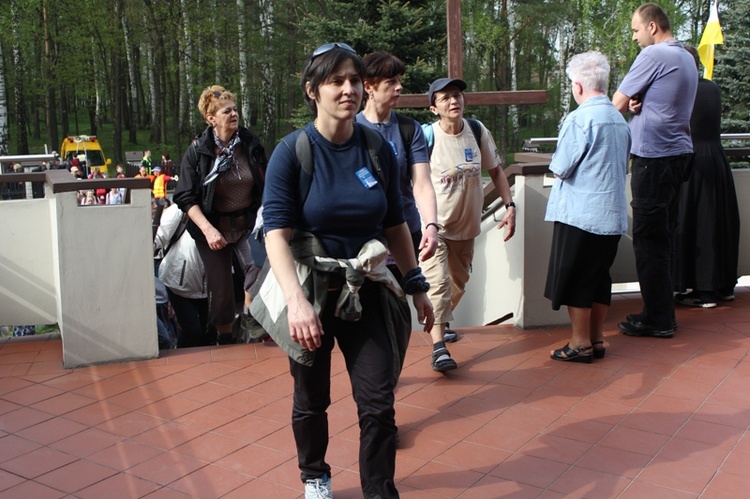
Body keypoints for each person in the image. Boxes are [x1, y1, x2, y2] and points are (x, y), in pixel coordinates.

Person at [258, 42, 433, 498]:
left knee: (378, 403)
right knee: (312, 398)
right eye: (337, 81)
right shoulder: (291, 152)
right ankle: (315, 476)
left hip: (368, 286)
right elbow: (275, 233)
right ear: (313, 90)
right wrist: (296, 303)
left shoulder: (376, 148)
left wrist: (415, 285)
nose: (349, 89)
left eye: (355, 80)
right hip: (313, 291)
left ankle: (379, 491)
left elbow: (395, 222)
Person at [612, 3, 698, 338]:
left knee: (649, 240)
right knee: (665, 236)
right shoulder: (685, 58)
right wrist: (641, 102)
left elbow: (615, 104)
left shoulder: (653, 56)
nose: (633, 37)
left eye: (635, 30)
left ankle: (658, 318)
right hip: (679, 155)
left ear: (651, 26)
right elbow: (664, 100)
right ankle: (663, 311)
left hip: (655, 159)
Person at [420, 77, 516, 372]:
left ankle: (442, 322)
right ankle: (439, 349)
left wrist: (510, 206)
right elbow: (412, 181)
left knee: (457, 285)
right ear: (434, 107)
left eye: (458, 95)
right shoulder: (426, 137)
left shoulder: (477, 130)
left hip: (467, 229)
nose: (454, 101)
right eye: (446, 97)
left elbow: (497, 171)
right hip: (435, 229)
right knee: (437, 286)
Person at [544, 51, 631, 363]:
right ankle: (597, 339)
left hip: (581, 214)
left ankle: (579, 343)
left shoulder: (580, 119)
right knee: (599, 276)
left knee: (577, 276)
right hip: (612, 215)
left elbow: (561, 167)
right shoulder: (619, 120)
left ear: (577, 86)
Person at [173, 85, 266, 344]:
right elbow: (184, 197)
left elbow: (265, 181)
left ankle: (248, 315)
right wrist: (208, 230)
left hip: (246, 223)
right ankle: (224, 338)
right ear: (211, 118)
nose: (234, 114)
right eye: (227, 111)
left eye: (235, 109)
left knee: (258, 267)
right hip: (212, 227)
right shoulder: (198, 152)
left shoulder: (250, 143)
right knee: (222, 289)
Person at [355, 51, 439, 273]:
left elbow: (421, 184)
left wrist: (431, 225)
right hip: (363, 238)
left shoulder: (409, 129)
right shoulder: (350, 129)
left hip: (405, 232)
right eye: (391, 82)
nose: (399, 87)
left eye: (399, 81)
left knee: (403, 302)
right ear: (369, 87)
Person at [673, 46, 740, 308]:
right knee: (717, 220)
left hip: (692, 161)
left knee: (697, 222)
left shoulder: (683, 91)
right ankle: (723, 286)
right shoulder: (711, 88)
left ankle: (704, 290)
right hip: (716, 159)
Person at [155, 203, 216, 347]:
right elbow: (159, 237)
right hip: (179, 283)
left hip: (210, 284)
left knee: (209, 333)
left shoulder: (219, 204)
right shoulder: (179, 208)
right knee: (192, 332)